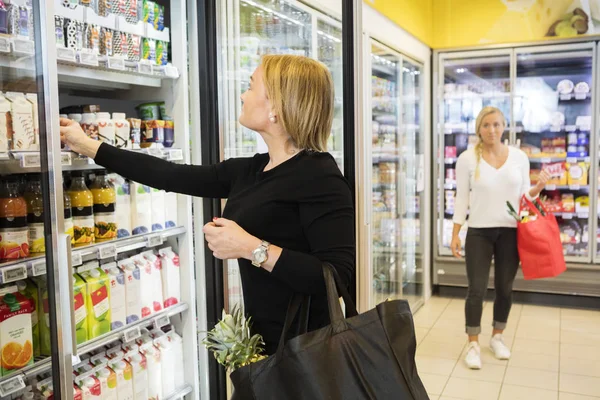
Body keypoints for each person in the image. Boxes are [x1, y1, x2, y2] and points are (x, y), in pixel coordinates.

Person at [60, 54, 355, 355]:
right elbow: (171, 175)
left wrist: (251, 248)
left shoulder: (320, 176)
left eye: (251, 87)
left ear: (276, 107)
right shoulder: (251, 170)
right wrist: (88, 145)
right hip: (264, 349)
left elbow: (337, 275)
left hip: (311, 355)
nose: (243, 94)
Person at [450, 106, 550, 370]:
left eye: (496, 124)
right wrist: (455, 233)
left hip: (511, 231)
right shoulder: (467, 159)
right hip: (479, 232)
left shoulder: (519, 157)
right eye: (486, 125)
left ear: (504, 127)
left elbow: (524, 198)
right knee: (476, 290)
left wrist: (537, 189)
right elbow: (461, 198)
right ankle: (473, 342)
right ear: (478, 129)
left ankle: (497, 336)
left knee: (505, 288)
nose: (491, 130)